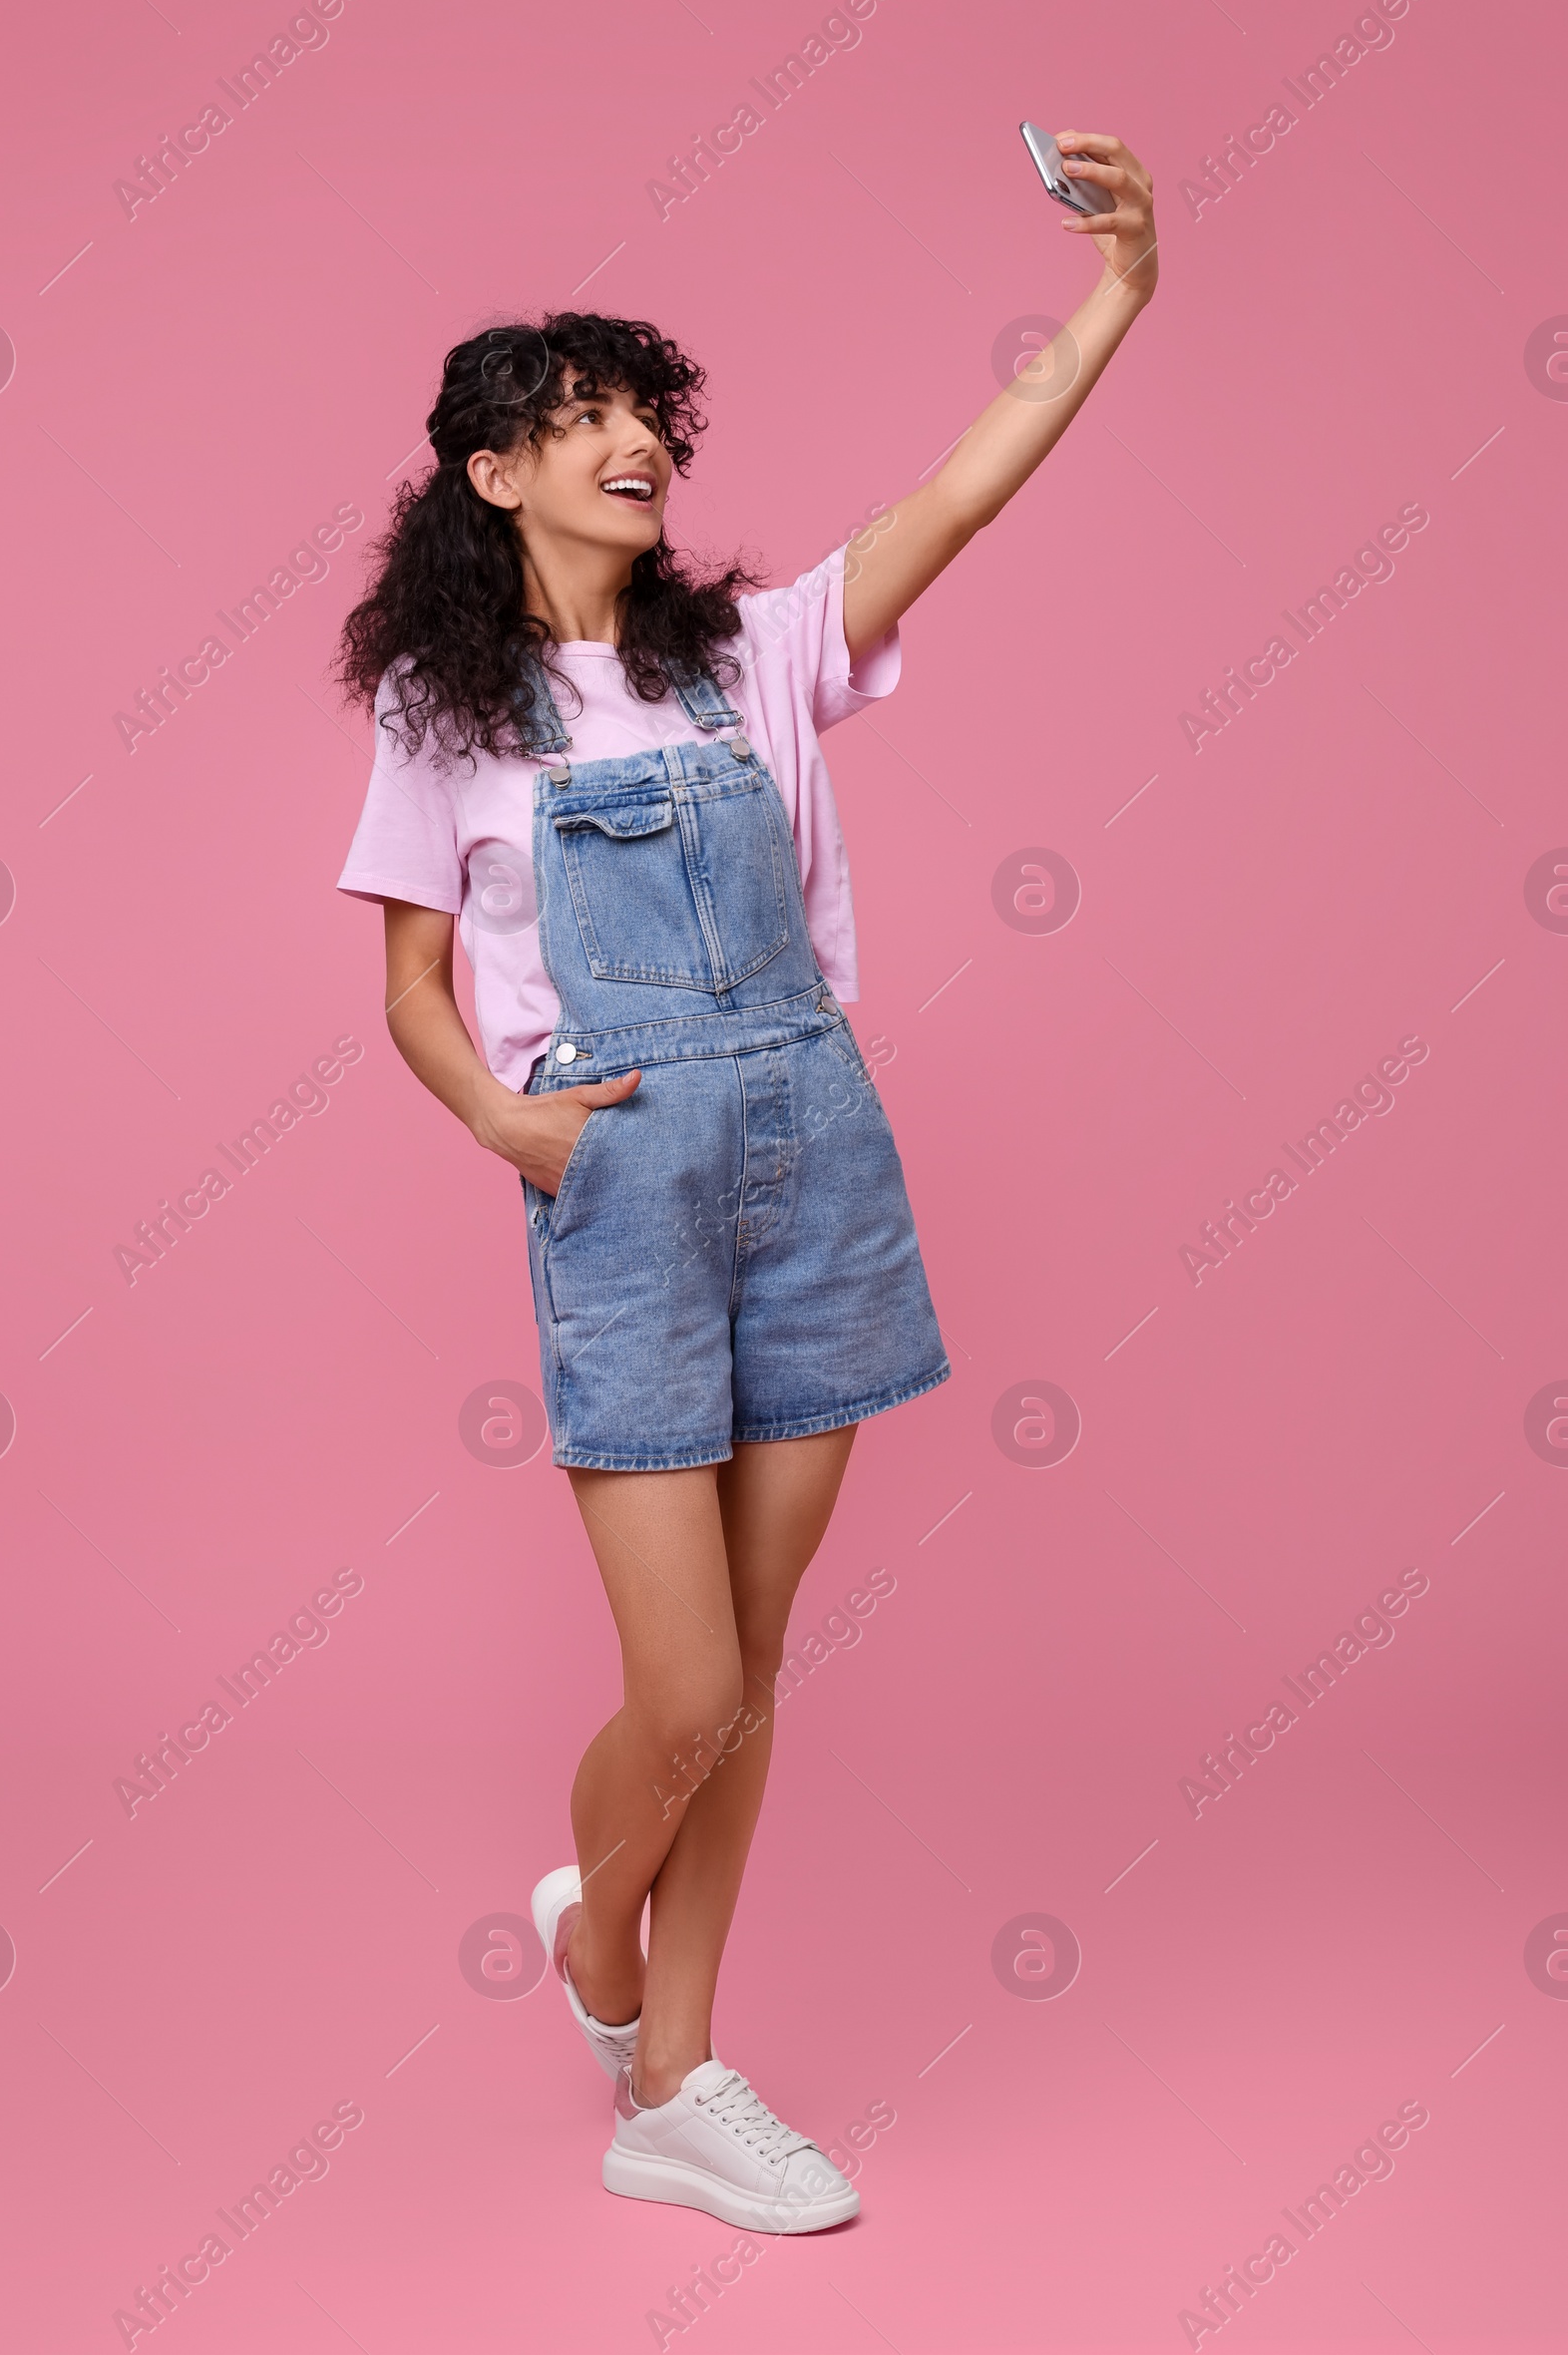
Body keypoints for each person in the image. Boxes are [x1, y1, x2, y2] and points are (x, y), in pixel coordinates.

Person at [335, 129, 1156, 2231]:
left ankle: (673, 2078)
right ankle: (599, 1935)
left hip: (817, 1165)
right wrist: (505, 1124)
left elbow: (963, 489)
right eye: (576, 417)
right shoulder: (452, 718)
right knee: (681, 1694)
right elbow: (413, 985)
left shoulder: (754, 656)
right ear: (490, 474)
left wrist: (1112, 292)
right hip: (618, 1191)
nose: (628, 442)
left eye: (640, 416)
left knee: (759, 1660)